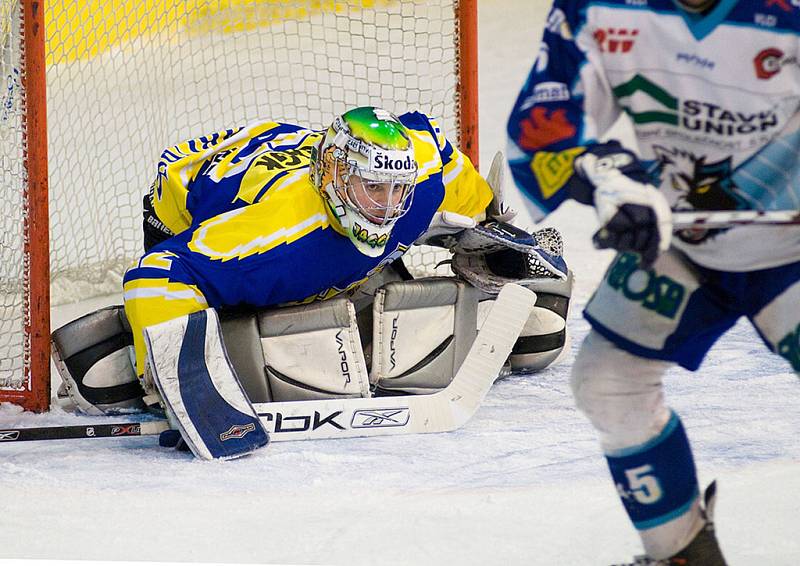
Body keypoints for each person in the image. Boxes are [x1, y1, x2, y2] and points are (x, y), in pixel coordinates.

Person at [507, 0, 800, 564]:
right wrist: (611, 183)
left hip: (791, 249)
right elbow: (544, 131)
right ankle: (683, 552)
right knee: (608, 383)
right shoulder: (596, 8)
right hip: (681, 239)